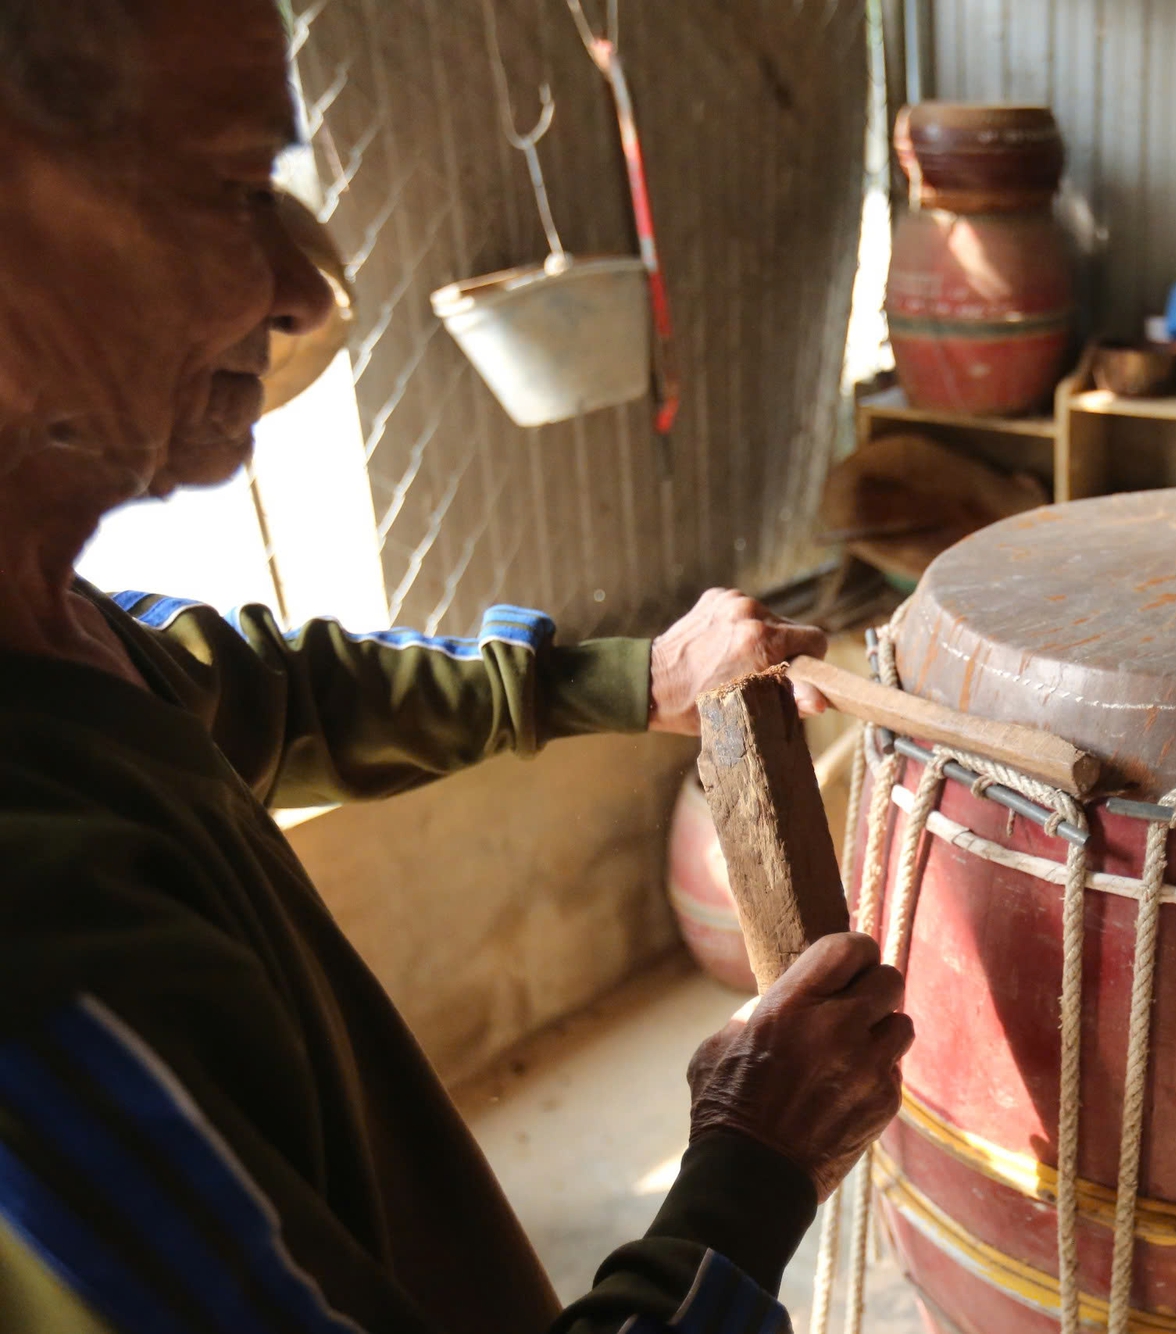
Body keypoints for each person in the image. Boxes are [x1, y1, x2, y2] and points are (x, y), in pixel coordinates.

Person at [0, 2, 913, 1331]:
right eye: (233, 185)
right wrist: (747, 1175)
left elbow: (269, 689)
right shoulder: (38, 964)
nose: (305, 285)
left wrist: (629, 677)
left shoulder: (56, 635)